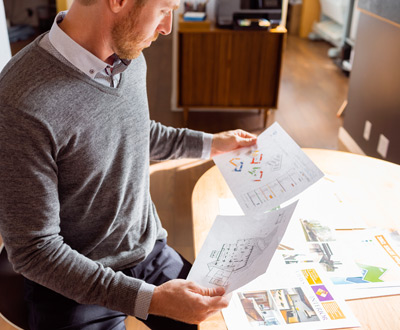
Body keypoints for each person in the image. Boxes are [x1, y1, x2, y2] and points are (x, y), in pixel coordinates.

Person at [0, 0, 258, 329]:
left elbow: (133, 132)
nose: (167, 27)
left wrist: (212, 144)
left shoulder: (130, 58)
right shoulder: (20, 104)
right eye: (165, 9)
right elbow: (35, 251)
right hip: (71, 285)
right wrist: (150, 299)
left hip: (146, 248)